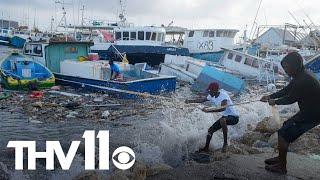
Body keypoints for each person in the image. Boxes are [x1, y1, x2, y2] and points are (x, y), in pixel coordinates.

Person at [260, 52, 320, 174]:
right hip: (311, 111)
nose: (285, 71)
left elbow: (290, 98)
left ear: (295, 65)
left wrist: (274, 101)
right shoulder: (301, 75)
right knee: (286, 126)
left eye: (287, 68)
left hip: (313, 114)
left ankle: (282, 166)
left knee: (282, 133)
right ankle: (280, 157)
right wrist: (270, 95)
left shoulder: (302, 80)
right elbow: (286, 90)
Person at [185, 82, 240, 153]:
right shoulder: (211, 95)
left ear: (215, 90)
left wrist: (208, 110)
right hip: (226, 117)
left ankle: (225, 143)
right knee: (210, 130)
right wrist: (189, 101)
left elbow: (223, 108)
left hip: (234, 118)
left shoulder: (223, 96)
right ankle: (206, 148)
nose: (209, 92)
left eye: (210, 90)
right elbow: (202, 100)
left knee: (223, 120)